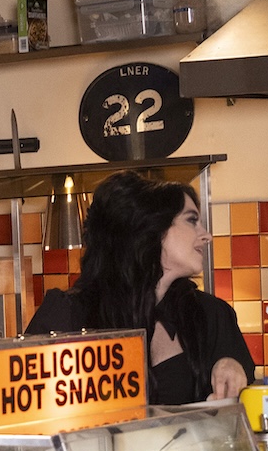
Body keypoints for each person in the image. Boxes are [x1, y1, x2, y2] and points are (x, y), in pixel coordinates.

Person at [25, 172, 254, 404]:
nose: (207, 235)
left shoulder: (212, 315)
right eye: (191, 220)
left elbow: (244, 404)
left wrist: (233, 365)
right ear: (151, 230)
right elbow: (29, 408)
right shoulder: (66, 316)